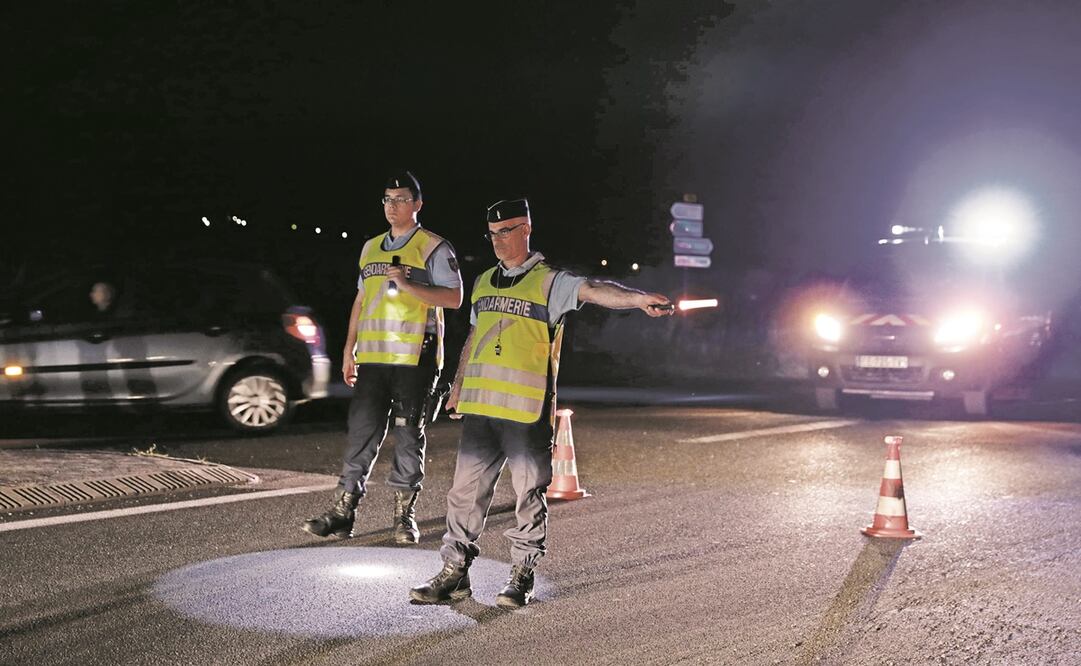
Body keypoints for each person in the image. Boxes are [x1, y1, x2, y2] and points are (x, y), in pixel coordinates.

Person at [410, 198, 672, 609]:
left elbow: (597, 290)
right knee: (463, 494)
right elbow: (474, 339)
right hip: (481, 410)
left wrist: (638, 299)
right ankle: (454, 573)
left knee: (527, 495)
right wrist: (458, 386)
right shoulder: (481, 281)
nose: (498, 241)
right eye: (493, 233)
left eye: (506, 231)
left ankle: (521, 575)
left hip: (526, 411)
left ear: (526, 229)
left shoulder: (551, 282)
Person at [302, 170, 463, 543]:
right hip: (373, 359)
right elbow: (361, 300)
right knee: (361, 434)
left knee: (408, 435)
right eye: (388, 200)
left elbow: (454, 299)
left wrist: (409, 284)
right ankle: (343, 513)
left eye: (401, 199)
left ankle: (403, 518)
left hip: (415, 359)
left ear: (418, 204)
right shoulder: (371, 247)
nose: (393, 206)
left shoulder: (434, 247)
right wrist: (348, 350)